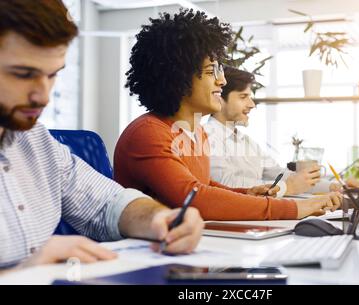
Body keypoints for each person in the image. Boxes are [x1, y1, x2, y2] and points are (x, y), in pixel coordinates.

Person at [0, 0, 203, 274]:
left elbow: (107, 203)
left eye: (53, 75)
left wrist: (159, 218)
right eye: (24, 75)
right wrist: (22, 272)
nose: (44, 96)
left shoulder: (35, 141)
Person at [114, 9, 342, 221]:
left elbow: (203, 184)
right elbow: (195, 198)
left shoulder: (195, 131)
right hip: (150, 254)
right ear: (179, 79)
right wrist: (296, 208)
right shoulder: (148, 133)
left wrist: (248, 193)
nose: (221, 80)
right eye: (210, 71)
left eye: (220, 71)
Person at [204, 66, 343, 197]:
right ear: (219, 98)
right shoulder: (207, 137)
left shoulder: (247, 142)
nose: (252, 104)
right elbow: (224, 184)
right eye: (243, 97)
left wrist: (334, 187)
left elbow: (280, 174)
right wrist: (285, 187)